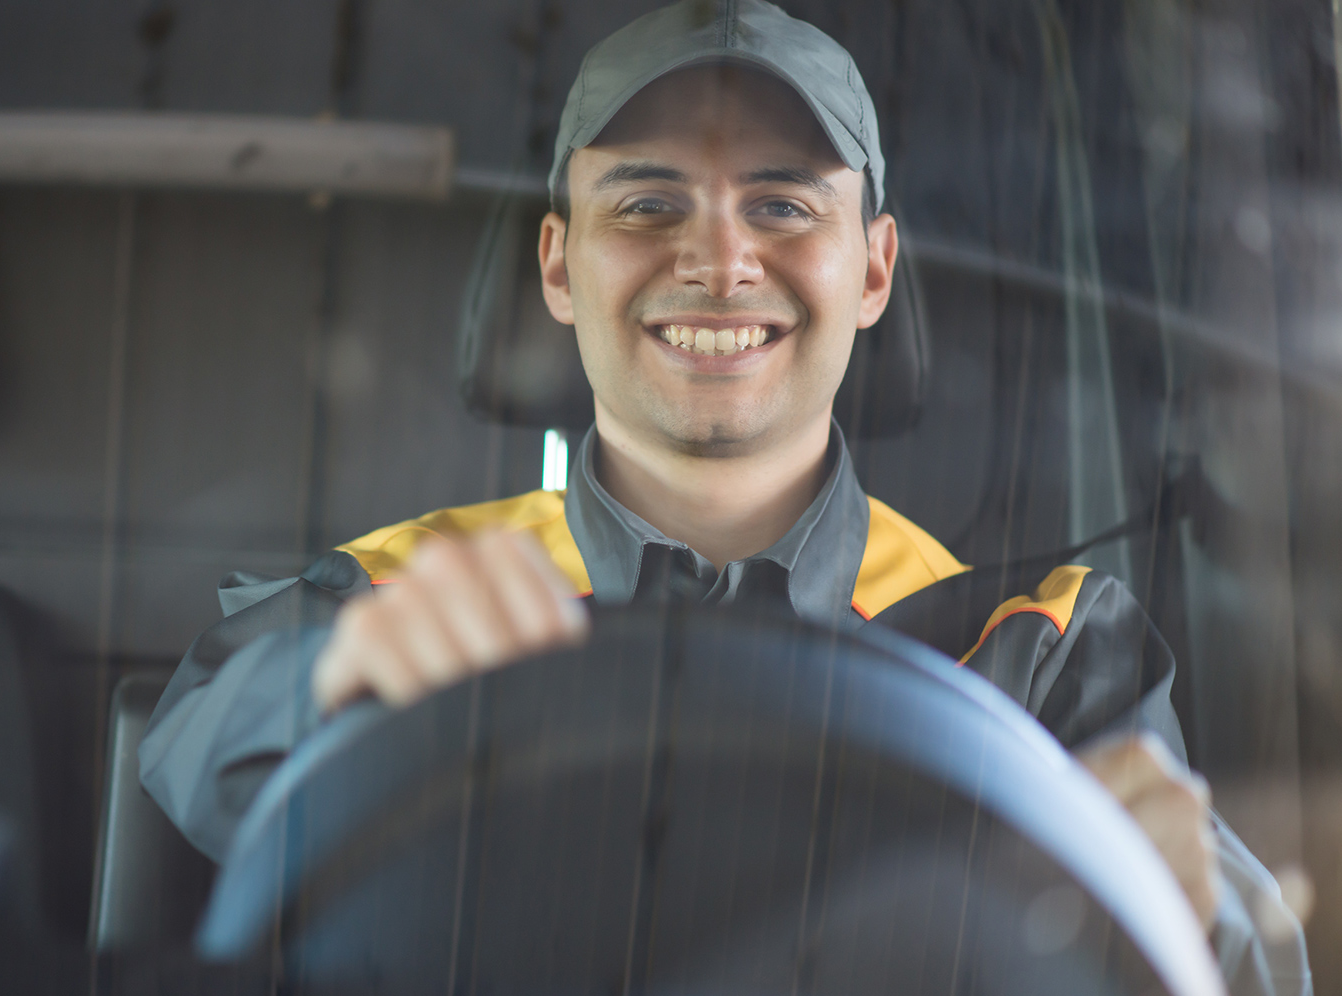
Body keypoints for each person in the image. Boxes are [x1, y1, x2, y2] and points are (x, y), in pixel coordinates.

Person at [139, 2, 1310, 992]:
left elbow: (1247, 949)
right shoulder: (409, 603)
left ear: (872, 268)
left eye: (782, 205)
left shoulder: (1033, 653)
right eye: (646, 204)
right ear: (557, 263)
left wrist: (1187, 906)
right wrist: (337, 687)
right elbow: (200, 733)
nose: (716, 261)